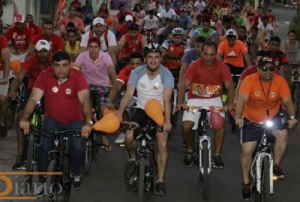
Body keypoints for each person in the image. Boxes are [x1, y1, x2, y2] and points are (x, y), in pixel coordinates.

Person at [19, 51, 93, 193]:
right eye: (57, 66)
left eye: (65, 65)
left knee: (77, 147)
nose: (61, 70)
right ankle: (41, 181)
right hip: (52, 120)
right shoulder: (44, 75)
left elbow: (84, 100)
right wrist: (25, 118)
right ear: (52, 65)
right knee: (43, 148)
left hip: (74, 120)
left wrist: (88, 122)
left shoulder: (78, 76)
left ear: (70, 65)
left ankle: (76, 172)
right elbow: (34, 98)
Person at [235, 56, 297, 200]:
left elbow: (288, 101)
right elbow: (241, 100)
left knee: (283, 134)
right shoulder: (249, 80)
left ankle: (276, 165)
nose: (268, 72)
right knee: (247, 150)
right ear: (258, 69)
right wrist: (238, 118)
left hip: (273, 116)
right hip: (251, 118)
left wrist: (293, 118)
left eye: (271, 69)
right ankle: (246, 182)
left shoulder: (280, 81)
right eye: (264, 69)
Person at [116, 43, 173, 196]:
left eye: (156, 57)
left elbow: (167, 100)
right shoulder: (137, 72)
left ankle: (160, 181)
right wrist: (119, 113)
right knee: (129, 136)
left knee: (162, 144)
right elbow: (128, 95)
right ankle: (133, 159)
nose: (153, 60)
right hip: (141, 110)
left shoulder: (166, 74)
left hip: (159, 111)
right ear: (145, 60)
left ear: (160, 58)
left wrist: (167, 121)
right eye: (150, 57)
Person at [178, 41, 234, 169]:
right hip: (195, 99)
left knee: (219, 124)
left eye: (212, 54)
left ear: (216, 54)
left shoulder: (222, 67)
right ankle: (190, 150)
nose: (209, 57)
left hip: (214, 100)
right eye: (206, 54)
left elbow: (230, 87)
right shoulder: (194, 66)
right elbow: (184, 85)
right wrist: (181, 102)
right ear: (201, 53)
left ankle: (217, 155)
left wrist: (229, 105)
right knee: (186, 126)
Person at [8, 40, 52, 170]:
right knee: (20, 117)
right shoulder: (30, 61)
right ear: (36, 52)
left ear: (49, 52)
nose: (42, 54)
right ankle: (20, 156)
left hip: (49, 92)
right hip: (31, 91)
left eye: (45, 51)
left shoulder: (54, 61)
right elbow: (19, 78)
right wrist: (12, 90)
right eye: (40, 51)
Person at [74, 37, 117, 152]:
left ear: (100, 48)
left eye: (96, 47)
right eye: (91, 47)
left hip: (103, 86)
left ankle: (104, 137)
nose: (93, 50)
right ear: (87, 48)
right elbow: (74, 71)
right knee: (81, 108)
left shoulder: (105, 57)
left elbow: (112, 73)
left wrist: (114, 90)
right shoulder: (82, 56)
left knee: (103, 112)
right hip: (86, 86)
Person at [0, 35, 10, 137]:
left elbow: (6, 59)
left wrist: (5, 76)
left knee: (3, 99)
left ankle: (2, 123)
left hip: (1, 71)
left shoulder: (1, 39)